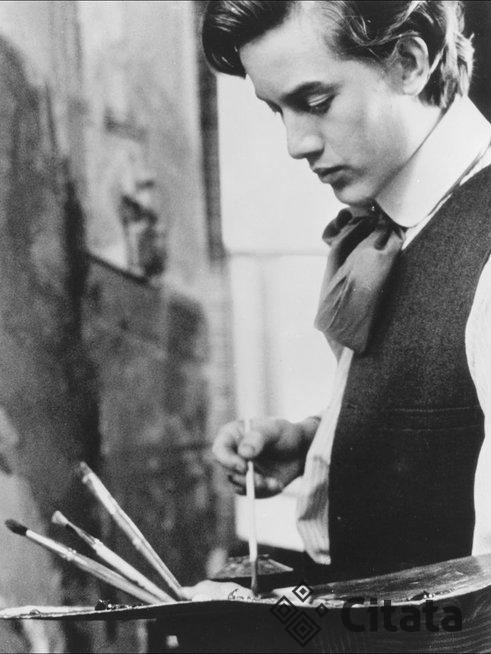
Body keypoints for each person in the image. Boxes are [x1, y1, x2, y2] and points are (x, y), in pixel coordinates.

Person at [185, 0, 491, 597]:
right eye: (277, 110)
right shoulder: (394, 226)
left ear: (409, 62)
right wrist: (317, 442)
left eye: (316, 102)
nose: (295, 143)